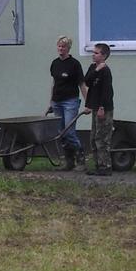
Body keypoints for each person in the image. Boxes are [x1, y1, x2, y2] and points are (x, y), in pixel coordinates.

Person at [48, 35, 87, 171]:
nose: (61, 49)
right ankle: (68, 161)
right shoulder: (55, 63)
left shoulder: (74, 64)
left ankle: (81, 159)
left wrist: (88, 103)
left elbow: (81, 84)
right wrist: (51, 102)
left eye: (63, 46)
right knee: (61, 132)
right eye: (59, 46)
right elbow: (54, 83)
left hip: (70, 101)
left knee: (69, 131)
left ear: (68, 48)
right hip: (57, 102)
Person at [82, 42, 113, 176]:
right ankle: (97, 164)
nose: (93, 55)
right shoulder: (93, 68)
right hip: (94, 107)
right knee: (93, 137)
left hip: (103, 108)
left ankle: (105, 165)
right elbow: (87, 81)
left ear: (104, 56)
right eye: (93, 52)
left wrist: (101, 107)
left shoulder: (106, 71)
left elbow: (107, 92)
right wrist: (96, 70)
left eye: (96, 53)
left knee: (101, 138)